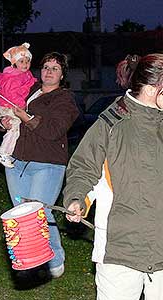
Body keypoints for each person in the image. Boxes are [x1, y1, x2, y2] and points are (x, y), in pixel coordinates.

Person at [63, 53, 163, 300]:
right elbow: (84, 168)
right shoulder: (111, 123)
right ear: (152, 89)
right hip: (120, 248)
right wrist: (77, 199)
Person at [0, 52, 79, 278]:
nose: (49, 71)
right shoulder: (28, 90)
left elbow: (54, 131)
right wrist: (4, 121)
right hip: (17, 161)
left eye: (55, 68)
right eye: (46, 67)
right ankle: (29, 259)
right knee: (21, 214)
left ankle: (55, 258)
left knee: (40, 212)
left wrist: (26, 118)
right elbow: (7, 106)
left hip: (48, 163)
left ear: (62, 74)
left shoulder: (65, 99)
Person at [0, 42, 37, 168]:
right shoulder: (12, 77)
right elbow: (11, 94)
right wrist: (21, 105)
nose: (25, 64)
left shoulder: (25, 74)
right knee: (15, 127)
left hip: (13, 106)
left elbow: (29, 82)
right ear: (14, 63)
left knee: (16, 126)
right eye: (21, 61)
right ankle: (3, 152)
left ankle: (5, 152)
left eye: (28, 61)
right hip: (8, 107)